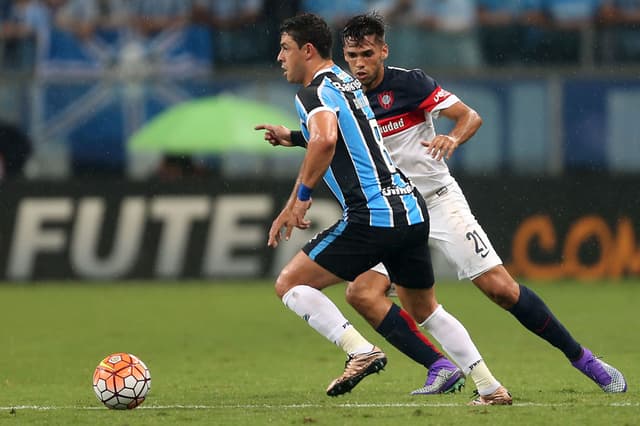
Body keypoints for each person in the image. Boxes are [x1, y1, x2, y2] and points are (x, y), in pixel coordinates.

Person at [336, 12, 626, 395]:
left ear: (383, 51)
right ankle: (444, 370)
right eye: (352, 55)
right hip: (391, 212)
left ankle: (583, 359)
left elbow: (469, 116)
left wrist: (453, 138)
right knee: (365, 293)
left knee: (500, 289)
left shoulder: (409, 84)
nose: (358, 64)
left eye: (367, 54)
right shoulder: (343, 96)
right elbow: (325, 138)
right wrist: (291, 138)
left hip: (438, 201)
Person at [256, 12, 511, 405]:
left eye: (285, 49)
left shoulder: (312, 93)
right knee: (425, 307)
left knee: (290, 284)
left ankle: (360, 351)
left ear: (307, 51)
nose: (280, 57)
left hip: (373, 214)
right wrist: (293, 137)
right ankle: (490, 387)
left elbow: (325, 140)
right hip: (410, 208)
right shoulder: (346, 82)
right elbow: (342, 132)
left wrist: (299, 200)